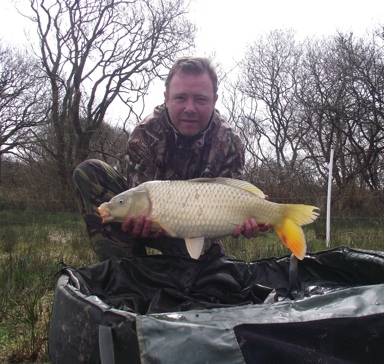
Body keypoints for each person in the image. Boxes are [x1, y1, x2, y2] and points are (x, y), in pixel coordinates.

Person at [73, 57, 268, 261]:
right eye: (180, 98)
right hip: (151, 218)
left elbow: (235, 196)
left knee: (206, 280)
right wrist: (138, 221)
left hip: (200, 232)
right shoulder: (145, 133)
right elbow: (138, 193)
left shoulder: (230, 142)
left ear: (214, 100)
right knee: (89, 172)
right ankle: (127, 270)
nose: (190, 108)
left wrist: (253, 221)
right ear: (166, 98)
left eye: (200, 99)